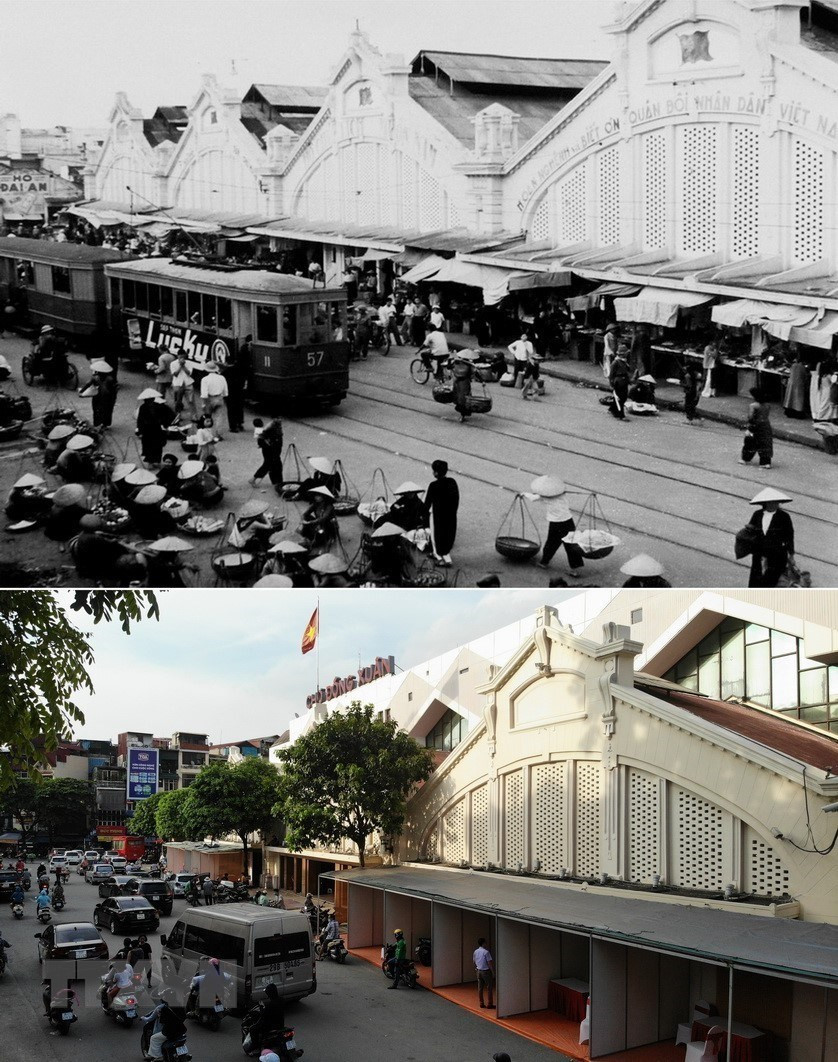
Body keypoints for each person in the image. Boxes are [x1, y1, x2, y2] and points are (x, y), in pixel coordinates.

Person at [745, 488, 795, 588]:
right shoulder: (757, 515)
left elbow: (789, 536)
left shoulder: (784, 516)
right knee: (756, 579)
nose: (773, 505)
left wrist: (791, 554)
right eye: (770, 502)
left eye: (776, 502)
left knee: (770, 581)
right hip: (759, 554)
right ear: (765, 503)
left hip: (777, 554)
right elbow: (750, 532)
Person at [537, 484, 584, 579]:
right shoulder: (562, 495)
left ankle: (544, 562)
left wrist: (523, 494)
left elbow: (534, 497)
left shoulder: (546, 498)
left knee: (551, 543)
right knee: (571, 544)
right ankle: (575, 569)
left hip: (555, 523)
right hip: (568, 521)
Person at [424, 460, 459, 566]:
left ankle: (440, 558)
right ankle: (444, 556)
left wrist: (422, 515)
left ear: (436, 472)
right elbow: (456, 499)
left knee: (436, 537)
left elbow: (427, 503)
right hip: (450, 515)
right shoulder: (452, 482)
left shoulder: (433, 485)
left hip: (437, 516)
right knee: (447, 536)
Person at [141, 987, 186, 1061]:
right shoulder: (179, 1004)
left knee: (154, 1038)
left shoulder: (163, 1008)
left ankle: (158, 1056)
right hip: (181, 1030)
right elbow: (184, 1016)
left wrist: (160, 1015)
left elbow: (162, 1021)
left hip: (170, 1032)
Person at [244, 981, 285, 1055]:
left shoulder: (270, 1005)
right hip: (280, 1024)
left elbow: (264, 1015)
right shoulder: (281, 1000)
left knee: (253, 1029)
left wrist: (262, 1007)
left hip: (270, 1026)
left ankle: (255, 1045)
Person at [740, 387, 774, 468]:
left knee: (750, 442)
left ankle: (746, 458)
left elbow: (750, 417)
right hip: (765, 426)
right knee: (765, 443)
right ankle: (765, 462)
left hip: (755, 425)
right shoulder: (768, 405)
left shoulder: (753, 405)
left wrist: (748, 426)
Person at [251, 417, 284, 490]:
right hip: (270, 451)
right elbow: (262, 439)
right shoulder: (272, 430)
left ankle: (277, 482)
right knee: (269, 465)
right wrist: (268, 445)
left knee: (274, 465)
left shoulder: (273, 429)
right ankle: (253, 479)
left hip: (272, 451)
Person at [137, 392, 167, 467]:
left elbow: (163, 417)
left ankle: (157, 461)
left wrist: (164, 425)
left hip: (156, 429)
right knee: (148, 446)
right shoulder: (143, 407)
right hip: (147, 430)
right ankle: (150, 462)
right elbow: (140, 420)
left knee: (158, 446)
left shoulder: (158, 406)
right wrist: (140, 431)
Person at [200, 362, 229, 433]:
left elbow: (204, 394)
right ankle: (218, 433)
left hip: (209, 399)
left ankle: (207, 433)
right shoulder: (222, 378)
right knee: (219, 417)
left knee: (207, 418)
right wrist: (222, 396)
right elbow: (225, 392)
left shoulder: (205, 379)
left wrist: (203, 403)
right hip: (219, 398)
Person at [171, 354, 197, 419]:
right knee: (178, 401)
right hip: (177, 384)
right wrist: (180, 366)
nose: (182, 358)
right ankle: (178, 416)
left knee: (191, 400)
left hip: (187, 383)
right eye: (180, 357)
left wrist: (184, 366)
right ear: (178, 356)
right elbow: (175, 374)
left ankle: (194, 416)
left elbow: (189, 373)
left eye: (183, 357)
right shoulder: (173, 363)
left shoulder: (189, 363)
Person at [608, 347, 630, 419]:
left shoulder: (624, 362)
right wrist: (611, 384)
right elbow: (611, 375)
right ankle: (620, 414)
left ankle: (612, 408)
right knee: (620, 398)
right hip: (618, 382)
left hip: (624, 381)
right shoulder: (616, 362)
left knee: (623, 397)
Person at [451, 353, 474, 422]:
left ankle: (462, 414)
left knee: (461, 398)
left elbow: (449, 367)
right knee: (464, 398)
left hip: (459, 382)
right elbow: (472, 374)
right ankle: (463, 414)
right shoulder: (469, 365)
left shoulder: (457, 363)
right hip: (464, 383)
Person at [473, 937, 495, 1008]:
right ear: (484, 943)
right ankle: (490, 1004)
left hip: (478, 970)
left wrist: (476, 968)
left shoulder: (475, 951)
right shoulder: (486, 952)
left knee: (480, 988)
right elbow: (489, 963)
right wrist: (493, 972)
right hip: (486, 971)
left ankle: (481, 1003)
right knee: (489, 987)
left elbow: (474, 961)